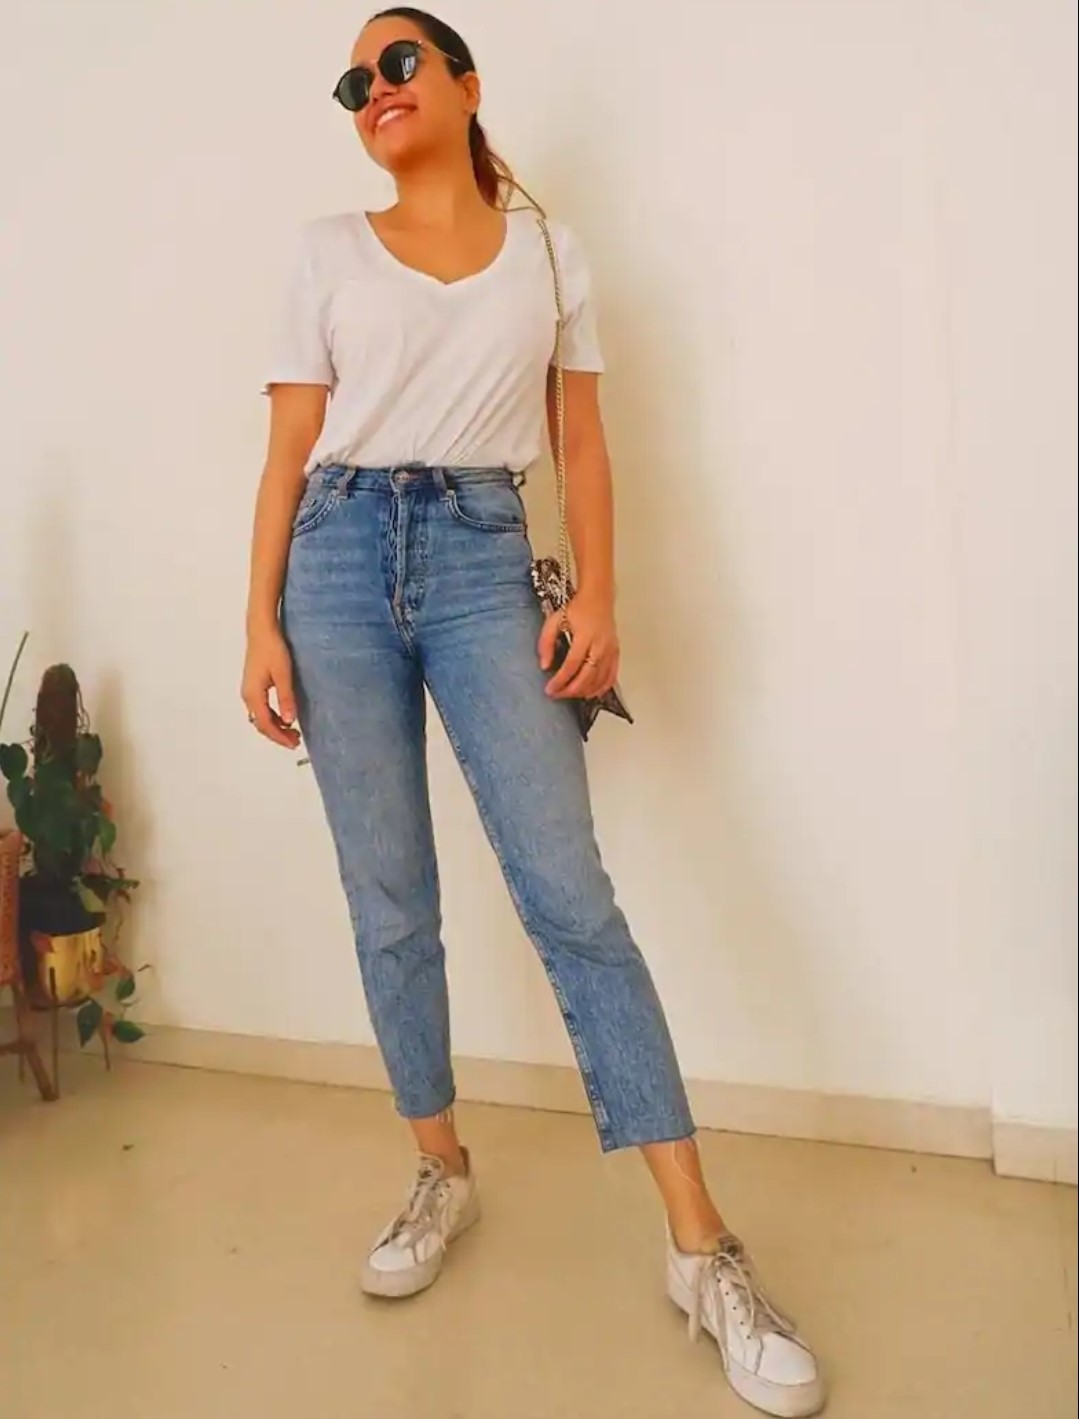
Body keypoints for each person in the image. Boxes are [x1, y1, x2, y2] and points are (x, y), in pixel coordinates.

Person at [242, 8, 825, 1415]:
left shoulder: (553, 255)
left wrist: (600, 591)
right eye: (354, 80)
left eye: (399, 63)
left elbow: (581, 440)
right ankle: (439, 1167)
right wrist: (256, 620)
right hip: (333, 563)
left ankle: (702, 1246)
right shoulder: (324, 250)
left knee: (571, 898)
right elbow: (287, 450)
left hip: (484, 558)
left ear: (464, 84)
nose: (374, 89)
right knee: (389, 896)